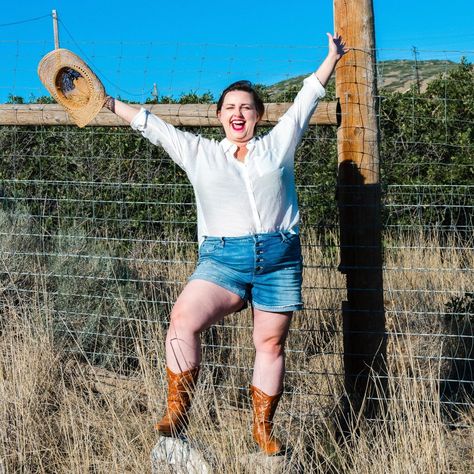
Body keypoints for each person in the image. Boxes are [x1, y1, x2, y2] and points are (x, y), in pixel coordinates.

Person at [104, 33, 347, 455]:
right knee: (182, 321)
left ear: (258, 115)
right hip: (222, 258)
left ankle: (262, 431)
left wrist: (332, 58)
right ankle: (177, 414)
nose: (238, 114)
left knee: (270, 344)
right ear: (218, 116)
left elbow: (307, 97)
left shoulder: (277, 146)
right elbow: (151, 126)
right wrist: (108, 102)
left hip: (279, 257)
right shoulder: (199, 153)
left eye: (246, 108)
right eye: (230, 108)